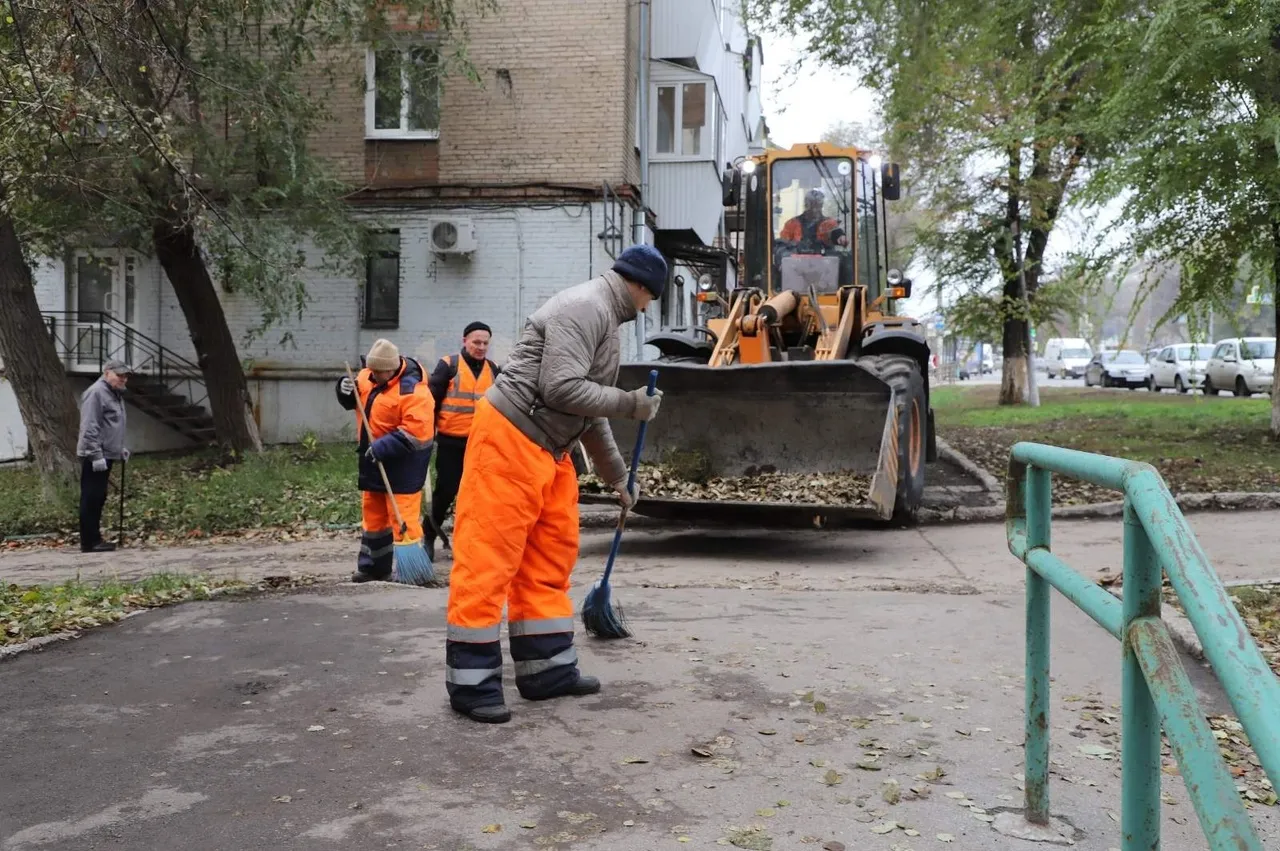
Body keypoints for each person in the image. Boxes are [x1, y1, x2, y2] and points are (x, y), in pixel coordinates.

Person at [444, 244, 667, 724]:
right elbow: (561, 389)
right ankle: (472, 685)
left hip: (550, 450)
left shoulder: (605, 320)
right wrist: (629, 403)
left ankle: (547, 670)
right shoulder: (584, 307)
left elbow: (586, 413)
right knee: (488, 559)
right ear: (642, 288)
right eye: (652, 299)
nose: (649, 308)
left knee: (548, 560)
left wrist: (618, 479)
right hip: (509, 438)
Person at [335, 339, 435, 582]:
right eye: (372, 371)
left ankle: (413, 575)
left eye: (379, 372)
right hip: (373, 461)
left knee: (404, 519)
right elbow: (354, 401)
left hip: (404, 465)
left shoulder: (413, 391)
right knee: (374, 517)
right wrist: (343, 388)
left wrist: (383, 446)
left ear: (391, 369)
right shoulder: (369, 376)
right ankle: (373, 568)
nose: (373, 376)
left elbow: (416, 432)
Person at [425, 321, 501, 560]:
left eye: (485, 343)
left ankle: (471, 541)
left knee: (479, 496)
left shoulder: (494, 369)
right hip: (451, 442)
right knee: (446, 491)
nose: (480, 347)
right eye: (476, 342)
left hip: (482, 444)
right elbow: (431, 402)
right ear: (465, 341)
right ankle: (429, 534)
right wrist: (426, 433)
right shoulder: (449, 365)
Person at [77, 360, 131, 553]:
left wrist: (119, 448)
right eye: (119, 375)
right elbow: (90, 426)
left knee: (99, 496)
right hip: (96, 455)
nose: (123, 379)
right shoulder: (97, 393)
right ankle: (89, 542)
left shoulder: (115, 394)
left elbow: (110, 426)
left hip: (107, 453)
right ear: (107, 373)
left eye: (125, 376)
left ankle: (95, 538)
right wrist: (94, 454)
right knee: (91, 497)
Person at [778, 188, 848, 254]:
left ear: (821, 205)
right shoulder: (791, 224)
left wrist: (840, 236)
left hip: (825, 263)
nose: (815, 210)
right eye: (812, 205)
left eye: (818, 206)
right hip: (796, 263)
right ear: (806, 205)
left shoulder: (828, 223)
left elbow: (835, 232)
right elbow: (783, 245)